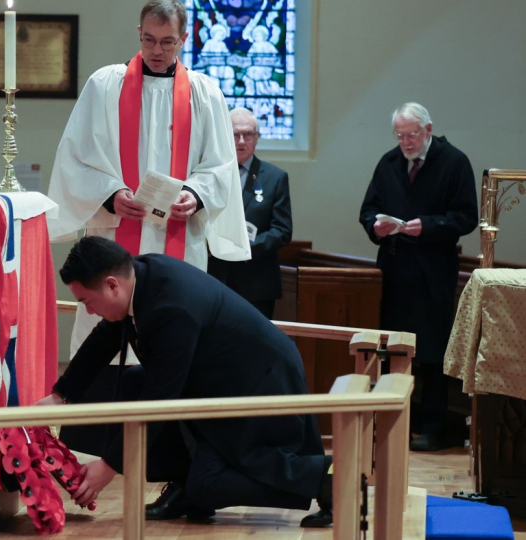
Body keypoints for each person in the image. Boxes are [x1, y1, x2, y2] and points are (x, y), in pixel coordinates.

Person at [37, 236, 333, 528]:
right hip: (220, 379)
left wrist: (110, 465)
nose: (89, 310)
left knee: (207, 485)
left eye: (87, 301)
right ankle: (184, 485)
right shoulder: (139, 277)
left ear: (112, 284)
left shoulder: (170, 306)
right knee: (134, 380)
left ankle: (325, 476)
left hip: (259, 384)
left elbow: (161, 397)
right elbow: (105, 337)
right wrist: (61, 395)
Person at [46, 0, 251, 361]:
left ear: (185, 38)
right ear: (139, 33)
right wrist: (110, 195)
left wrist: (195, 194)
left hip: (179, 236)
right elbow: (75, 159)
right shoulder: (104, 85)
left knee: (172, 347)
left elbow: (221, 166)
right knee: (105, 354)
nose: (157, 50)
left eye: (168, 42)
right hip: (115, 235)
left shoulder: (205, 93)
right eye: (150, 40)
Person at [359, 102, 478, 452]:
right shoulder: (389, 162)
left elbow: (467, 216)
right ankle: (396, 421)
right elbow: (367, 209)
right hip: (395, 270)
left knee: (432, 351)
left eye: (411, 135)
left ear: (428, 129)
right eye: (400, 136)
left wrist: (429, 225)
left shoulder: (453, 162)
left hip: (434, 271)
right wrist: (376, 227)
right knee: (394, 350)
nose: (406, 142)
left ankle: (434, 426)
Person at [208, 108, 292, 319]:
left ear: (257, 138)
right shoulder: (209, 175)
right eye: (235, 134)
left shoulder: (275, 177)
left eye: (248, 135)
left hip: (256, 283)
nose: (241, 141)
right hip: (215, 277)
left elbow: (282, 230)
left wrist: (244, 248)